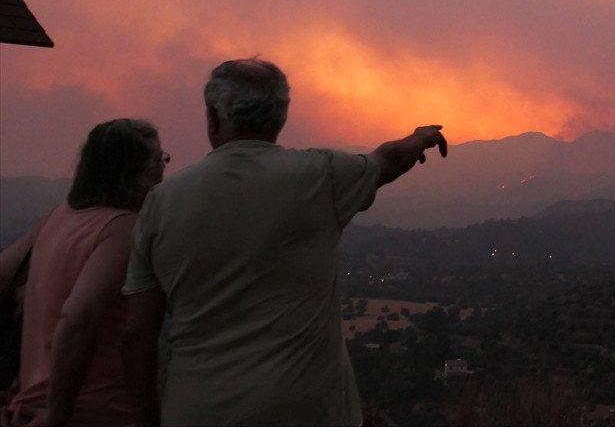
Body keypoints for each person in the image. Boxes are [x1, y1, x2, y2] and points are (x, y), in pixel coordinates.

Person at [122, 58, 446, 427]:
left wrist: (145, 419)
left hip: (198, 411)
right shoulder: (322, 177)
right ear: (282, 116)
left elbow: (137, 333)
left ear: (212, 117)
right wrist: (419, 137)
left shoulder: (160, 203)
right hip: (308, 411)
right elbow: (387, 161)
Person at [0, 119, 169, 427]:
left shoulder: (58, 217)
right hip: (94, 410)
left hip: (28, 402)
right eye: (160, 160)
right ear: (142, 172)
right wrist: (57, 413)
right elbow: (77, 318)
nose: (163, 171)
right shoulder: (121, 229)